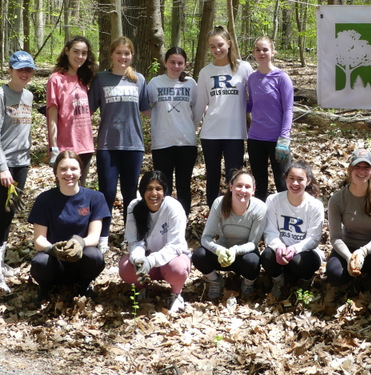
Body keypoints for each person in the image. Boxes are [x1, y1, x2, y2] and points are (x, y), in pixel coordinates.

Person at [88, 36, 150, 252]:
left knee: (130, 193)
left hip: (133, 145)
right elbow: (87, 110)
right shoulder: (100, 79)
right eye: (119, 53)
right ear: (111, 55)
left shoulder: (139, 80)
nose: (123, 57)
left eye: (127, 53)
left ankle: (129, 236)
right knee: (106, 193)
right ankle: (103, 236)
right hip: (107, 144)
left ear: (132, 56)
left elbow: (148, 110)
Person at [0, 50, 37, 293]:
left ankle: (0, 263)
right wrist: (2, 168)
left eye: (29, 69)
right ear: (10, 70)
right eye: (20, 69)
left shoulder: (28, 95)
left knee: (10, 212)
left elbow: (22, 131)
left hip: (21, 163)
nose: (25, 73)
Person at [29, 151, 110, 305]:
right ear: (56, 173)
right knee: (40, 262)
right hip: (54, 262)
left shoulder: (95, 198)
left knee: (95, 256)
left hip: (81, 260)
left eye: (73, 169)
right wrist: (53, 249)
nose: (69, 173)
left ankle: (84, 286)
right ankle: (46, 288)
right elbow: (39, 240)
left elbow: (94, 237)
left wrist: (79, 243)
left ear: (81, 171)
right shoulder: (44, 200)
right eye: (63, 169)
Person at [326, 149, 371, 303]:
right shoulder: (337, 199)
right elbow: (335, 237)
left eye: (366, 167)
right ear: (350, 170)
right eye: (357, 167)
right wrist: (349, 257)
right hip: (347, 250)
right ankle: (353, 279)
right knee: (334, 274)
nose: (361, 171)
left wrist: (363, 252)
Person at [193, 26, 254, 207]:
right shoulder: (206, 72)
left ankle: (233, 213)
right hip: (210, 133)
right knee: (212, 175)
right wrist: (191, 131)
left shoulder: (244, 68)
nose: (217, 49)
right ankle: (214, 214)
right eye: (212, 46)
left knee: (234, 177)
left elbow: (255, 97)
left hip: (235, 133)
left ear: (229, 43)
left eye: (220, 45)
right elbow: (199, 104)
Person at [119, 171, 192, 315]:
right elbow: (134, 241)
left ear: (165, 191)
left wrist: (151, 261)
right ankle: (142, 287)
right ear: (142, 191)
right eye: (149, 188)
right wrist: (139, 260)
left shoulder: (174, 207)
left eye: (158, 188)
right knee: (126, 267)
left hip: (171, 259)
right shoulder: (134, 206)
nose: (154, 193)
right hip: (146, 256)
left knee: (178, 268)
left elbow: (175, 245)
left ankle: (176, 294)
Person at [191, 170, 266, 300]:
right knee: (199, 255)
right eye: (239, 185)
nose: (243, 190)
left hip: (243, 255)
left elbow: (253, 243)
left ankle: (248, 284)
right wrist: (218, 250)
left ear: (253, 190)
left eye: (247, 187)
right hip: (222, 254)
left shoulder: (259, 208)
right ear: (231, 187)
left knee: (253, 262)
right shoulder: (219, 203)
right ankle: (215, 281)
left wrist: (235, 250)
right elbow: (206, 237)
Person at [260, 161, 324, 299]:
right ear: (285, 179)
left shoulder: (315, 206)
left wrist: (294, 249)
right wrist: (278, 247)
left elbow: (314, 238)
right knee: (266, 256)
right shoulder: (273, 200)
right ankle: (278, 281)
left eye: (300, 179)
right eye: (292, 178)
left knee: (299, 263)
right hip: (281, 250)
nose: (295, 183)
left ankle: (306, 281)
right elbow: (270, 231)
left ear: (308, 181)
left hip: (305, 252)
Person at [147, 47, 199, 216]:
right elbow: (146, 108)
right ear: (165, 63)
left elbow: (197, 109)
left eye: (180, 63)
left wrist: (189, 126)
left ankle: (182, 221)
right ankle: (164, 220)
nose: (176, 66)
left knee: (184, 184)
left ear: (185, 64)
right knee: (163, 185)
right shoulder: (155, 83)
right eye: (172, 62)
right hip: (162, 142)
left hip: (186, 142)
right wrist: (158, 119)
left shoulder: (191, 84)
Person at [247, 36, 294, 201]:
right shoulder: (252, 79)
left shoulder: (282, 78)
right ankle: (261, 221)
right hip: (255, 139)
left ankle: (284, 220)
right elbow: (251, 105)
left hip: (277, 140)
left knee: (283, 184)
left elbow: (288, 109)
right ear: (253, 53)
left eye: (265, 49)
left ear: (273, 52)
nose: (261, 53)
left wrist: (284, 138)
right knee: (259, 185)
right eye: (258, 50)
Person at [46, 36, 96, 184]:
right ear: (67, 51)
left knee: (80, 189)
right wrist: (54, 147)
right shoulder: (56, 79)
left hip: (85, 145)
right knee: (65, 190)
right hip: (66, 146)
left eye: (84, 53)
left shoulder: (84, 79)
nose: (80, 57)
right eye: (76, 52)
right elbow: (52, 116)